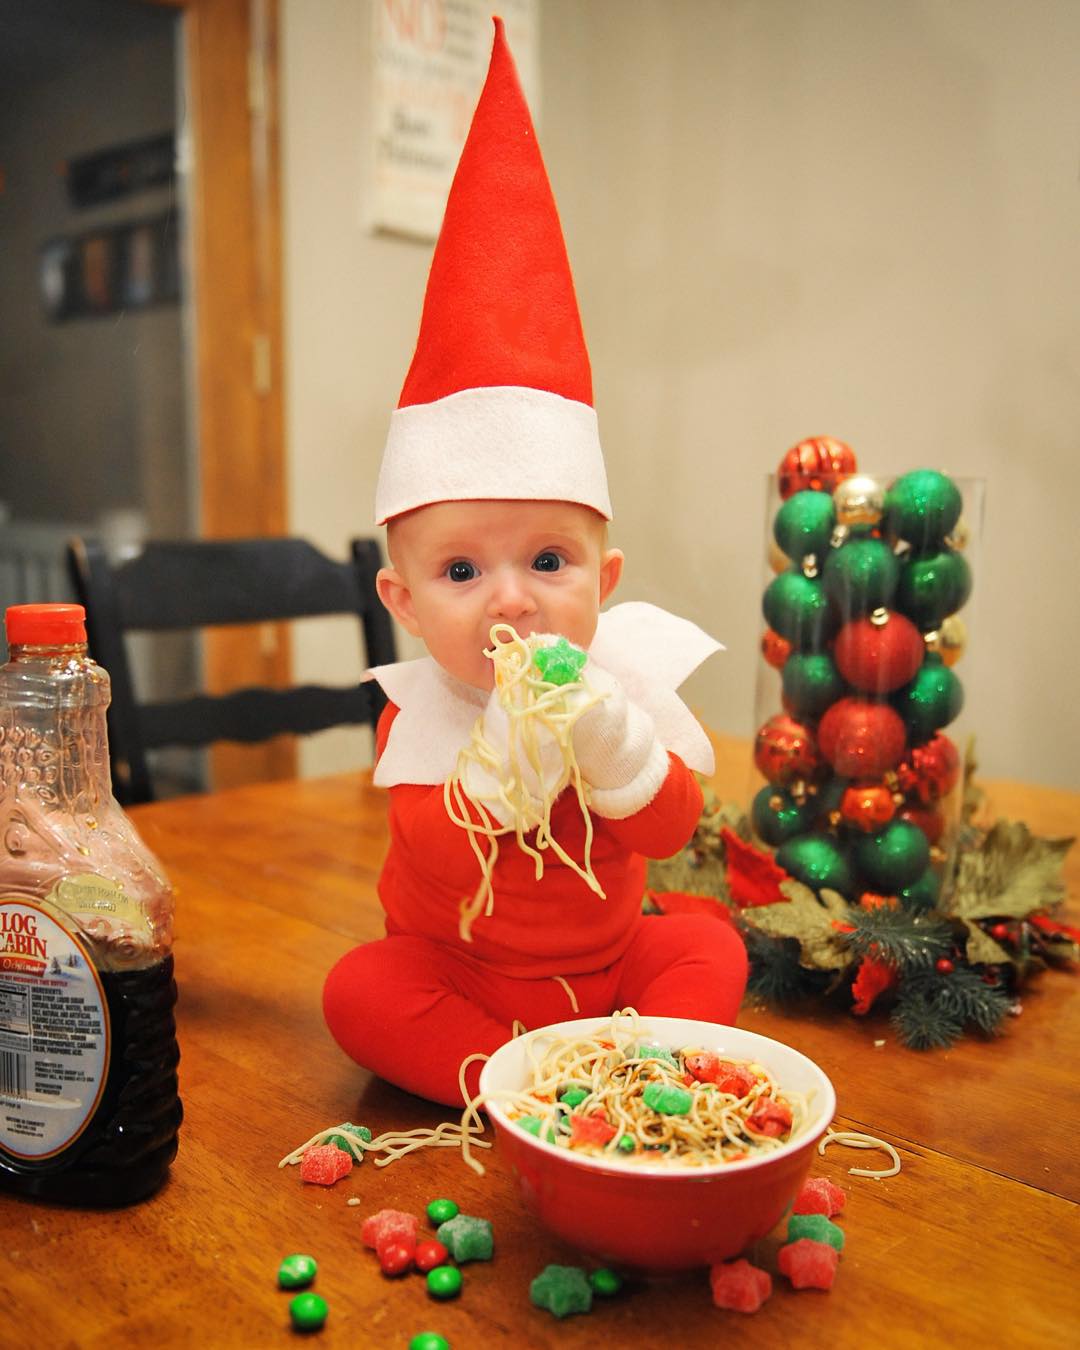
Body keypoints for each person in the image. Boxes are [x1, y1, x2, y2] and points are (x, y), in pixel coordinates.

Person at [323, 19, 747, 1107]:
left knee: (705, 945)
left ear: (605, 585)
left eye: (549, 559)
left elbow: (669, 827)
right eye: (461, 572)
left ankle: (622, 1057)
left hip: (611, 976)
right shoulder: (417, 718)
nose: (511, 596)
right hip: (461, 977)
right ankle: (514, 1086)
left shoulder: (626, 694)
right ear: (404, 604)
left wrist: (612, 746)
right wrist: (509, 751)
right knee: (361, 992)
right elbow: (435, 858)